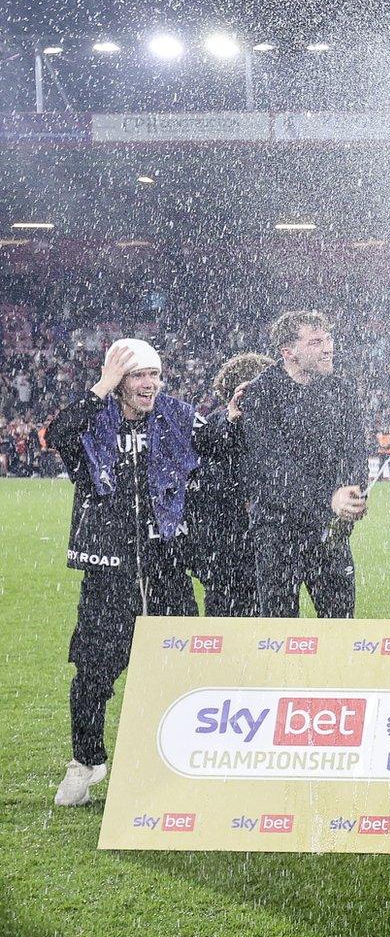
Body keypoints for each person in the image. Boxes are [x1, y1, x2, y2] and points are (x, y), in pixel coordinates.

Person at [48, 339, 234, 806]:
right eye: (138, 375)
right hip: (108, 572)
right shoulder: (95, 420)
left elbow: (214, 442)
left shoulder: (174, 415)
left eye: (154, 373)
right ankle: (85, 763)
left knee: (186, 670)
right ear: (119, 381)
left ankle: (181, 763)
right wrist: (101, 387)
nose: (149, 383)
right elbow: (59, 434)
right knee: (92, 673)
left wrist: (229, 419)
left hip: (166, 567)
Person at [237, 310, 367, 619]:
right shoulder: (261, 394)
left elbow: (355, 453)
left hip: (329, 530)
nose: (328, 348)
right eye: (316, 341)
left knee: (341, 627)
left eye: (329, 339)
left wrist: (353, 491)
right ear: (288, 352)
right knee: (280, 633)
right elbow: (274, 468)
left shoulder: (342, 392)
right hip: (278, 531)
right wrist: (328, 499)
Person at [179, 351, 265, 617]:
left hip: (220, 551)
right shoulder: (214, 427)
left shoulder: (211, 425)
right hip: (233, 549)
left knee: (225, 625)